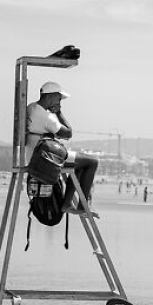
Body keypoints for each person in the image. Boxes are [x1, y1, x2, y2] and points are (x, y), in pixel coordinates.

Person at [25, 81, 98, 213]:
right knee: (92, 162)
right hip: (44, 159)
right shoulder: (47, 117)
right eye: (58, 98)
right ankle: (82, 206)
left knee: (79, 164)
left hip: (34, 154)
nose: (59, 102)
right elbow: (68, 133)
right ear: (50, 96)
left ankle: (67, 203)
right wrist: (59, 113)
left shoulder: (31, 107)